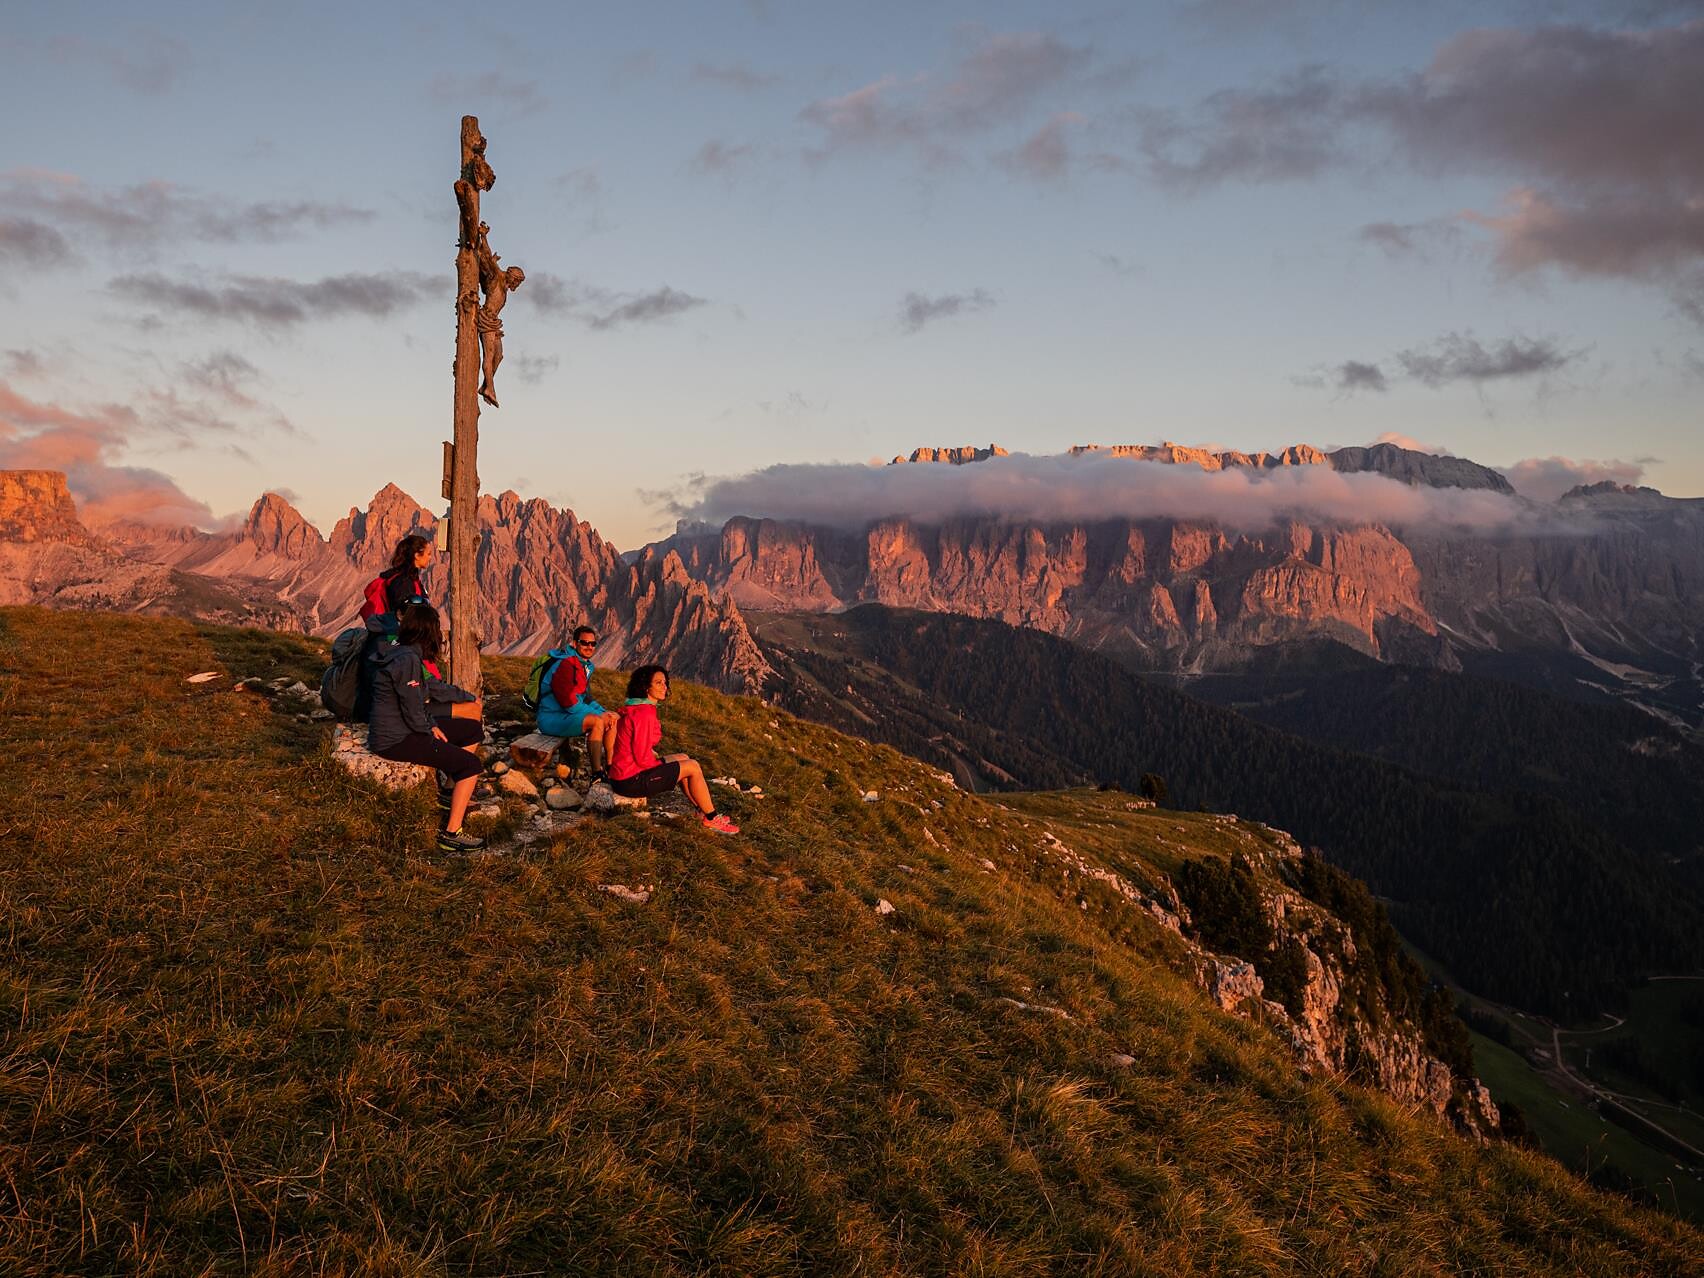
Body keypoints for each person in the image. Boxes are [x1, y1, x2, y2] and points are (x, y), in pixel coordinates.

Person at [367, 603, 486, 853]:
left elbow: (424, 693)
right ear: (428, 631)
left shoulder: (402, 651)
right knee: (471, 765)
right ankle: (451, 834)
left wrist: (461, 700)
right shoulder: (407, 660)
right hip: (396, 739)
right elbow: (412, 708)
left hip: (401, 727)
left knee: (472, 730)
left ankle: (449, 793)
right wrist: (428, 729)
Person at [607, 665, 738, 835]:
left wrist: (665, 764)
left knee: (682, 757)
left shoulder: (637, 707)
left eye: (665, 682)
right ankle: (711, 818)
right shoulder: (644, 713)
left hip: (625, 774)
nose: (665, 687)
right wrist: (661, 767)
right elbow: (641, 758)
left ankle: (701, 810)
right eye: (658, 683)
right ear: (646, 686)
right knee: (692, 766)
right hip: (630, 781)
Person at [536, 625, 615, 778]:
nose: (589, 647)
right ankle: (597, 774)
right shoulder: (566, 664)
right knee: (597, 722)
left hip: (565, 715)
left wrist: (605, 713)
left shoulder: (583, 665)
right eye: (584, 643)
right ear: (574, 643)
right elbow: (570, 704)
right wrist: (600, 716)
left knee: (611, 717)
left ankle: (612, 768)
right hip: (551, 717)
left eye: (593, 644)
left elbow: (586, 698)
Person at [361, 534, 434, 622]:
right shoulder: (403, 581)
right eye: (428, 554)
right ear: (417, 555)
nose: (430, 557)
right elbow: (405, 616)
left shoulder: (411, 578)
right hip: (400, 634)